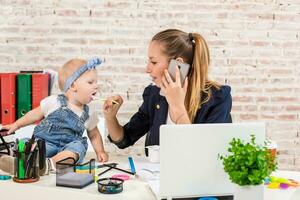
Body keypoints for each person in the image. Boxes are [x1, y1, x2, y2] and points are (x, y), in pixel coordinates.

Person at [103, 29, 232, 151]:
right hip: (158, 173)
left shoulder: (218, 98)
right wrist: (110, 117)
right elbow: (125, 139)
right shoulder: (154, 95)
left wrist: (178, 108)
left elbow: (204, 153)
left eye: (153, 62)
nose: (147, 69)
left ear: (177, 65)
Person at [0, 58, 108, 174]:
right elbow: (33, 115)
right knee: (28, 144)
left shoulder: (90, 113)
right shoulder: (54, 101)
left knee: (78, 147)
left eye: (96, 82)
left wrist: (100, 151)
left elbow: (94, 134)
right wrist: (16, 125)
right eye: (90, 82)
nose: (96, 86)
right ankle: (13, 158)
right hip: (44, 144)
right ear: (73, 85)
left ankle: (47, 165)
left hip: (67, 149)